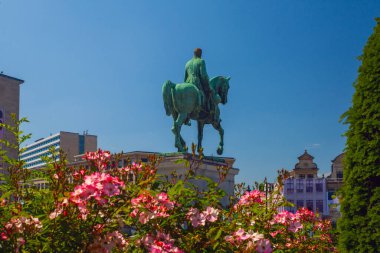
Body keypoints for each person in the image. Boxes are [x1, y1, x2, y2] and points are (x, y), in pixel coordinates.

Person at [184, 48, 212, 114]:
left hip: (188, 83)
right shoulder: (201, 61)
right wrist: (208, 87)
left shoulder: (187, 63)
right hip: (196, 82)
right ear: (200, 54)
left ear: (194, 53)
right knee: (209, 94)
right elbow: (203, 76)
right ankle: (208, 111)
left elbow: (185, 78)